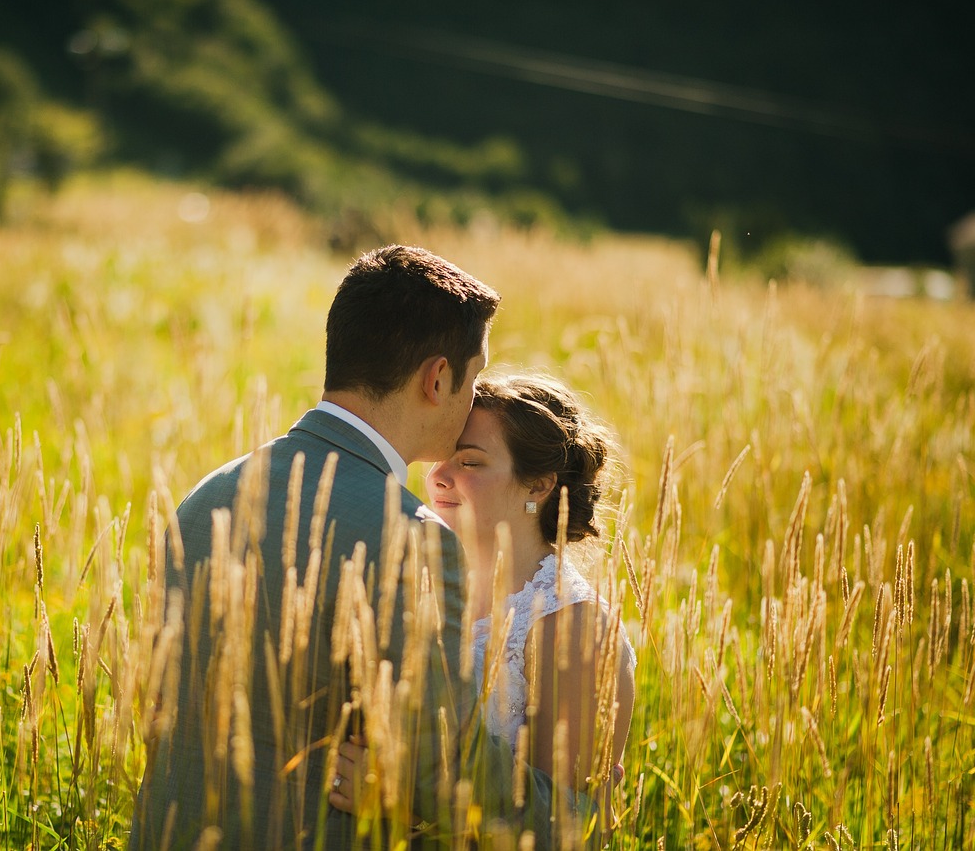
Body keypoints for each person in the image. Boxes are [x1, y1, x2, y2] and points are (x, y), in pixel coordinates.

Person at [129, 246, 564, 849]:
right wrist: (569, 812)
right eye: (473, 377)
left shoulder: (208, 496)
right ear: (437, 379)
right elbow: (442, 766)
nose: (473, 400)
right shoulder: (410, 539)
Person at [330, 373, 637, 839]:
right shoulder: (413, 586)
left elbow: (563, 829)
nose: (437, 476)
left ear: (538, 486)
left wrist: (401, 807)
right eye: (440, 459)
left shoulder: (574, 628)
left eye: (470, 463)